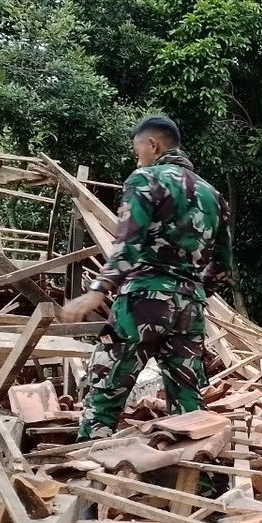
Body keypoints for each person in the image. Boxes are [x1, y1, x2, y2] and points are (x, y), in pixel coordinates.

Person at [61, 116, 232, 441]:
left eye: (137, 149)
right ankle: (199, 480)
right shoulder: (214, 196)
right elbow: (222, 264)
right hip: (190, 308)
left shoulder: (146, 179)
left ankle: (90, 475)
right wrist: (193, 292)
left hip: (142, 303)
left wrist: (97, 290)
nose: (136, 157)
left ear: (152, 145)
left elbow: (128, 246)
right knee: (188, 401)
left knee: (106, 390)